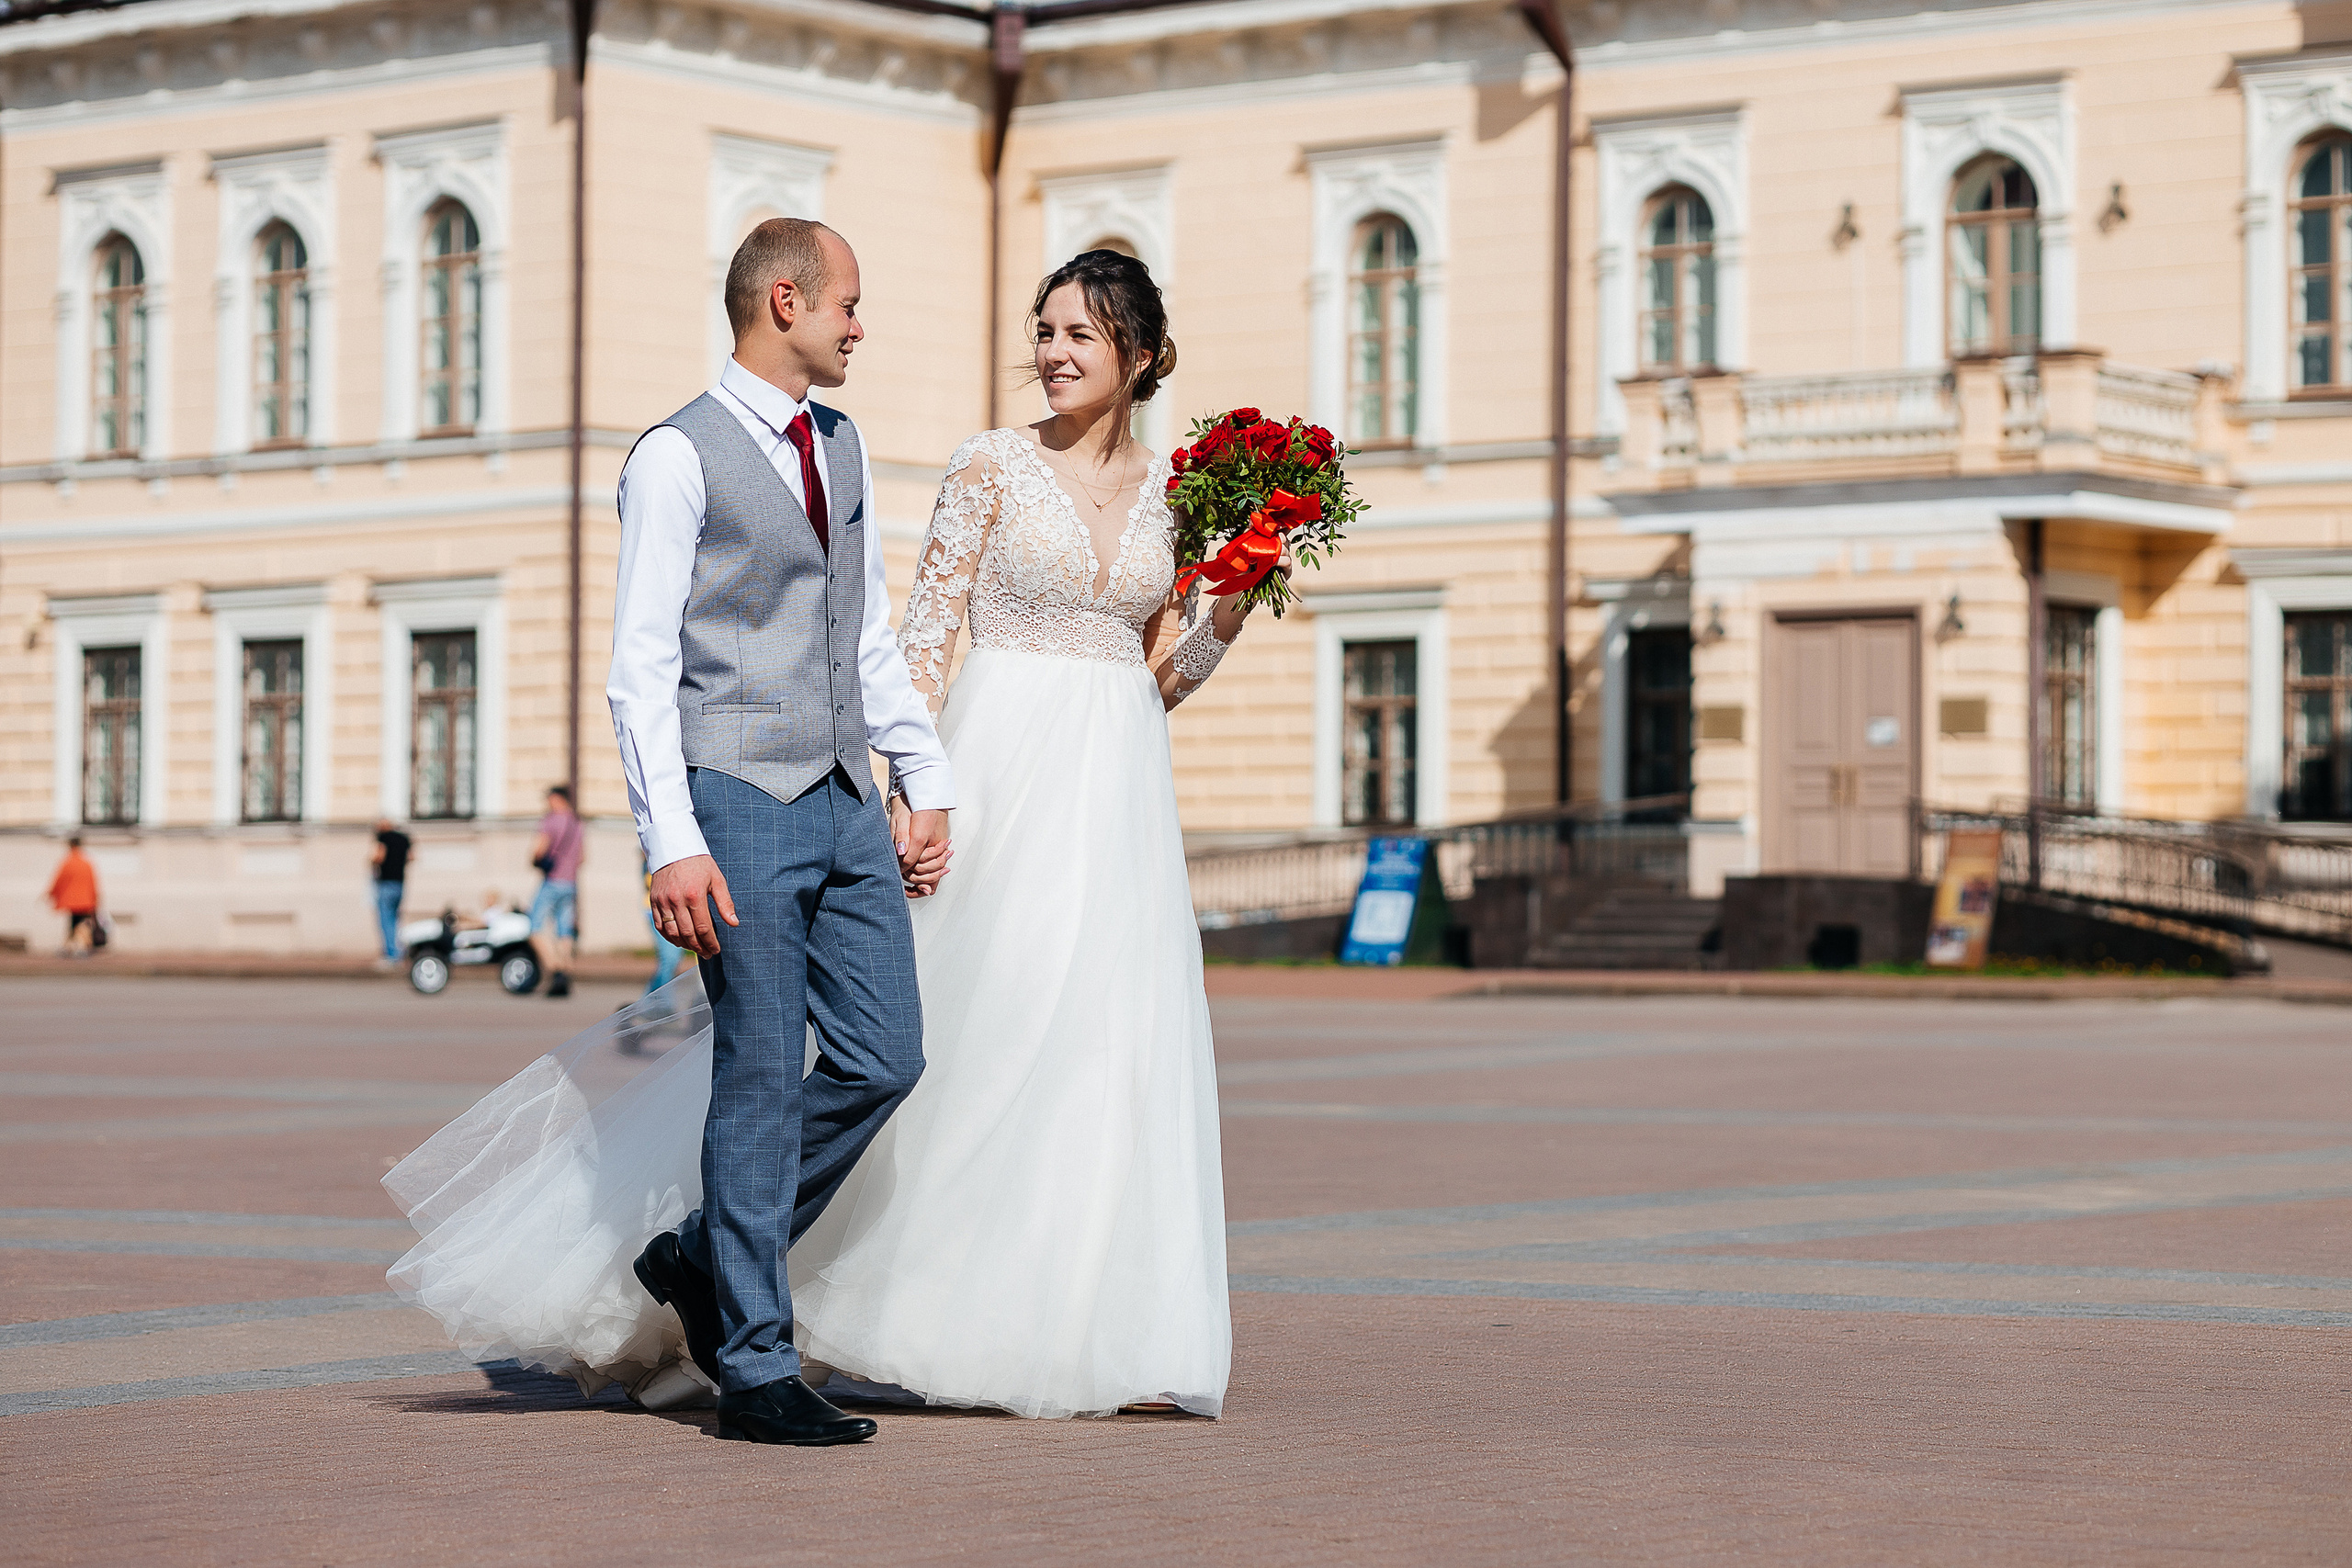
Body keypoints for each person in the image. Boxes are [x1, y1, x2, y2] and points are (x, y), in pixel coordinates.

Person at [384, 244, 1258, 1428]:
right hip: (780, 788)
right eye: (1042, 331)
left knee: (893, 1056)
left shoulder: (843, 446)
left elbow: (880, 642)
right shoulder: (689, 454)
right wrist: (672, 837)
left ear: (1141, 356)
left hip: (1034, 798)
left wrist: (1230, 602)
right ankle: (752, 1360)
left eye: (1078, 336)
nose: (1049, 353)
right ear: (787, 302)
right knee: (757, 1070)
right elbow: (650, 669)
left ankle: (714, 1260)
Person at [526, 786, 583, 999]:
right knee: (564, 931)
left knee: (534, 928)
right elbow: (582, 857)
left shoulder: (550, 821)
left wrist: (535, 861)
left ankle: (556, 970)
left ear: (557, 798)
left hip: (552, 881)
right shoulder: (577, 823)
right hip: (570, 883)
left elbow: (538, 850)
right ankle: (566, 973)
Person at [45, 837, 101, 957]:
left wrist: (51, 893)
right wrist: (95, 898)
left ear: (70, 846)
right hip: (85, 900)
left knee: (77, 924)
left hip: (72, 900)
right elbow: (93, 882)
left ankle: (76, 948)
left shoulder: (68, 862)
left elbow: (59, 880)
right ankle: (73, 947)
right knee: (79, 924)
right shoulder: (87, 863)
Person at [368, 818, 412, 970]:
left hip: (386, 883)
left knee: (385, 920)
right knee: (396, 919)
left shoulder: (384, 838)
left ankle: (391, 955)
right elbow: (411, 857)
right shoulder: (404, 838)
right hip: (400, 883)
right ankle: (399, 952)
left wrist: (371, 862)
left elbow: (379, 857)